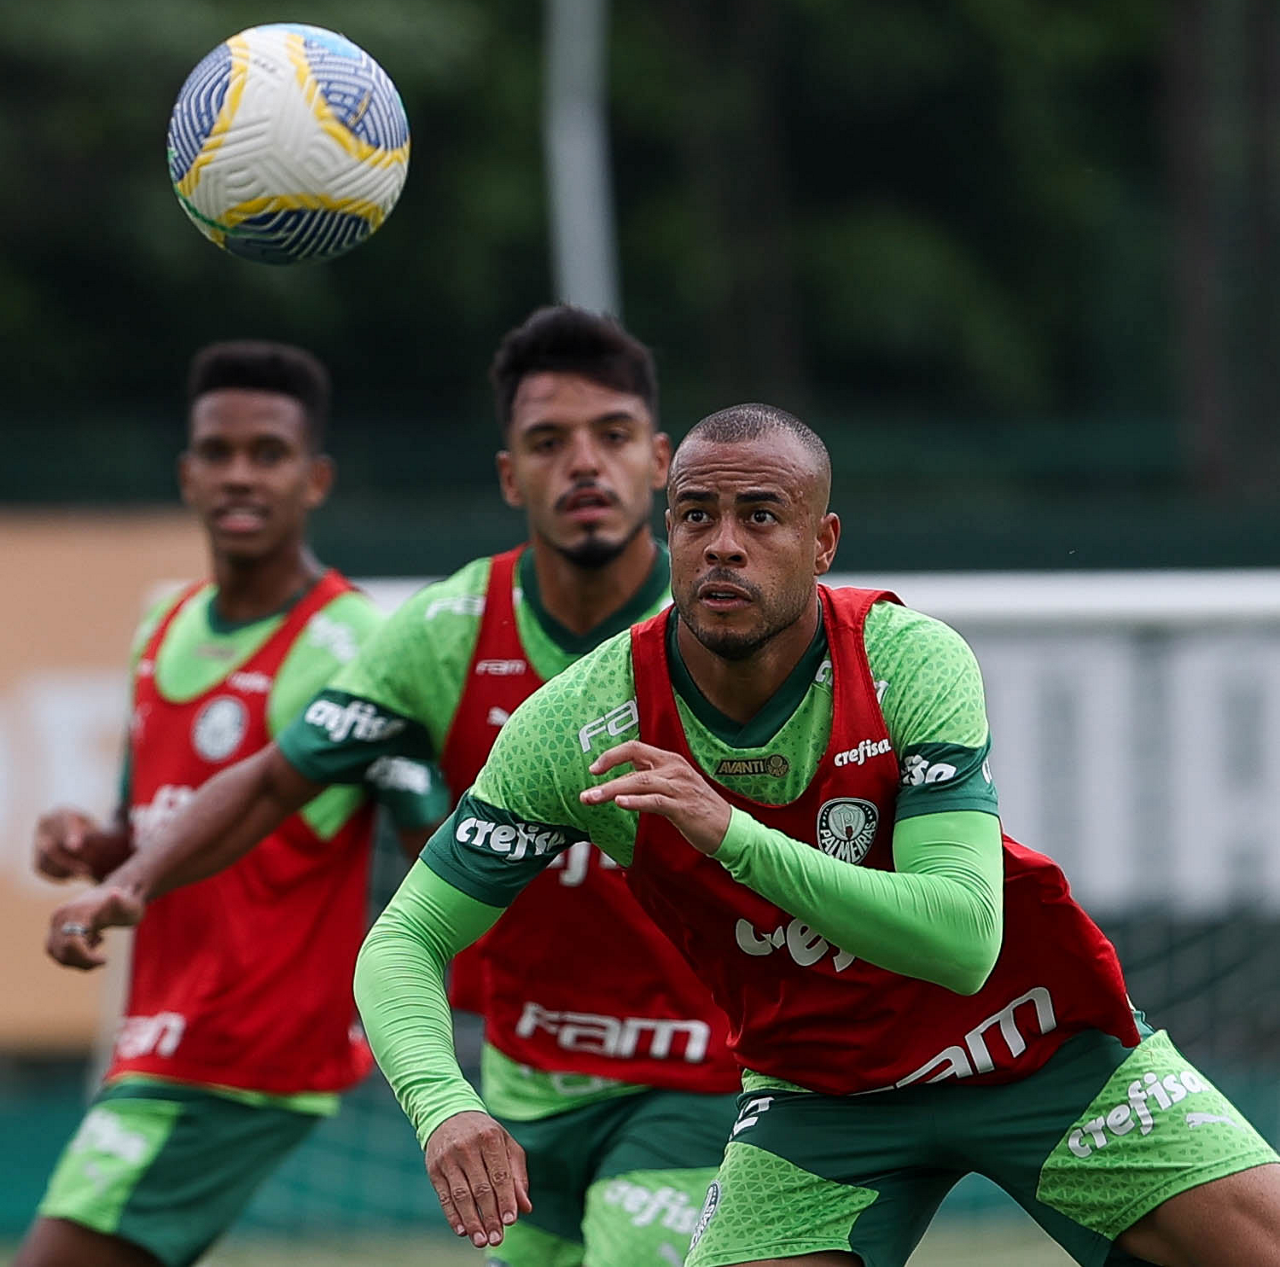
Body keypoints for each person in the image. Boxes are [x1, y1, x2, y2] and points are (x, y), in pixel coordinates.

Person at [353, 403, 1280, 1267]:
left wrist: (731, 834)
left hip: (1028, 1045)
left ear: (822, 542)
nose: (724, 544)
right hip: (821, 1098)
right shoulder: (583, 722)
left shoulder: (905, 658)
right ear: (667, 532)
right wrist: (442, 1106)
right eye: (697, 516)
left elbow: (962, 940)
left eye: (761, 516)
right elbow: (403, 941)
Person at [44, 306, 743, 1267]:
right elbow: (272, 781)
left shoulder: (724, 627)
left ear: (658, 461)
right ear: (511, 474)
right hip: (527, 1083)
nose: (585, 464)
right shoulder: (444, 630)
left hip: (706, 1074)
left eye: (613, 436)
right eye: (549, 442)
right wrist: (131, 880)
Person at [18, 341, 442, 1267]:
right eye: (218, 452)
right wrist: (87, 845)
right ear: (187, 474)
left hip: (243, 1041)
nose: (240, 475)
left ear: (315, 478)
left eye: (268, 453)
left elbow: (429, 835)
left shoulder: (356, 637)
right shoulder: (163, 621)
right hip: (163, 1028)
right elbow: (144, 830)